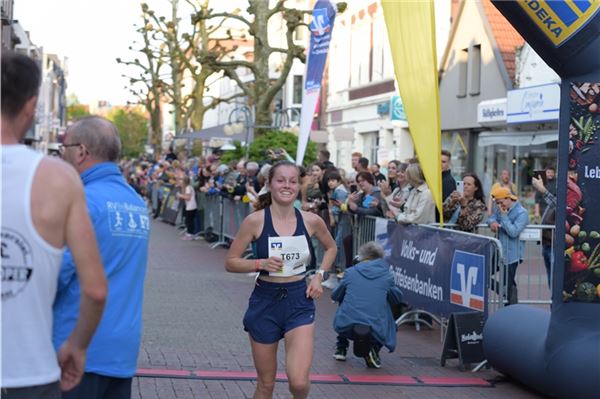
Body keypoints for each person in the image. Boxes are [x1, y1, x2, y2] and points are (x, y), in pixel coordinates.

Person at [1, 50, 107, 397]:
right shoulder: (58, 179)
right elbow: (95, 290)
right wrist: (77, 345)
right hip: (29, 374)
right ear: (31, 106)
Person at [53, 116, 151, 399]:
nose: (62, 155)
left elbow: (56, 274)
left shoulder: (82, 200)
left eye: (65, 148)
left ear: (81, 152)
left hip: (76, 344)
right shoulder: (135, 202)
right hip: (122, 348)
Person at [224, 161, 336, 399]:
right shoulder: (255, 221)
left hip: (298, 301)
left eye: (293, 181)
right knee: (266, 384)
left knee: (298, 382)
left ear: (299, 185)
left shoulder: (311, 220)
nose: (287, 185)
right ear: (270, 184)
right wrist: (259, 264)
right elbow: (231, 261)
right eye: (281, 180)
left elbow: (331, 249)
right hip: (265, 301)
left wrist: (319, 276)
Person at [331, 242, 403, 368]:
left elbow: (335, 295)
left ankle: (341, 347)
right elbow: (397, 299)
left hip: (347, 321)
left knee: (344, 301)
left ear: (361, 257)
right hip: (375, 324)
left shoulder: (350, 272)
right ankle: (374, 349)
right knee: (386, 311)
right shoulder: (387, 275)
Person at [488, 186, 528, 305]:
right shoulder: (500, 207)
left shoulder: (522, 213)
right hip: (499, 250)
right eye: (497, 203)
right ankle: (505, 292)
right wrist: (493, 222)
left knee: (508, 284)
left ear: (508, 199)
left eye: (500, 202)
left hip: (512, 254)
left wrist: (504, 217)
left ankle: (510, 308)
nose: (499, 206)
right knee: (484, 275)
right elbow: (490, 218)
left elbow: (514, 232)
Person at [532, 174, 557, 287]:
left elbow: (558, 206)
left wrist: (542, 190)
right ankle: (553, 301)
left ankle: (554, 303)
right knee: (550, 279)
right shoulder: (553, 199)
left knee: (553, 278)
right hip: (547, 244)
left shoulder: (561, 201)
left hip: (553, 245)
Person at [176, 175, 198, 240]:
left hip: (191, 206)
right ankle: (189, 233)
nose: (180, 181)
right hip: (189, 206)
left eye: (181, 180)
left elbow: (188, 197)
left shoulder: (188, 188)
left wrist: (180, 195)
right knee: (188, 220)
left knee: (189, 220)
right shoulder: (187, 187)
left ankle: (190, 234)